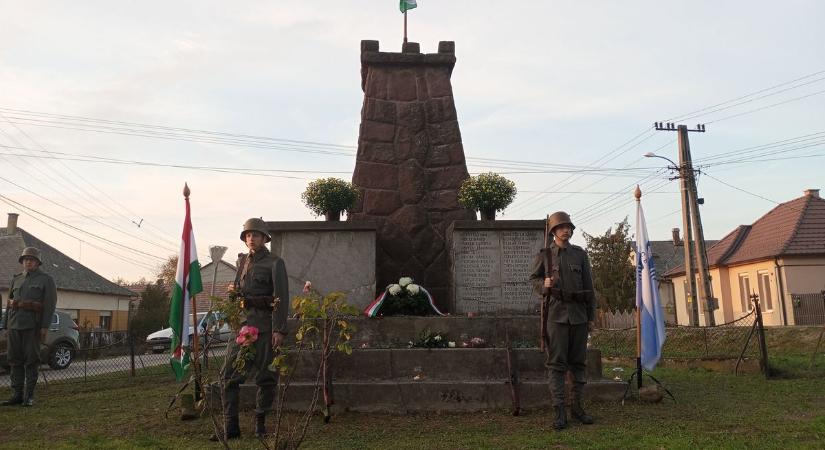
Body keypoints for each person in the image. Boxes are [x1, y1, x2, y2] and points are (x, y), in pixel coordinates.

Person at [211, 218, 289, 441]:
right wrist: (233, 295)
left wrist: (280, 330)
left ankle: (260, 425)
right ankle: (231, 427)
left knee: (266, 378)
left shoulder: (275, 262)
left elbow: (281, 297)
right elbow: (237, 293)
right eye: (247, 235)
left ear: (264, 238)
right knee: (229, 376)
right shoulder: (243, 262)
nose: (251, 238)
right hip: (244, 328)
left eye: (255, 235)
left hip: (266, 328)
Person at [530, 211, 596, 430]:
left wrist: (591, 317)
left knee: (578, 364)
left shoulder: (580, 255)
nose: (566, 230)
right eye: (561, 227)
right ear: (553, 232)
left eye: (568, 227)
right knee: (557, 366)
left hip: (578, 316)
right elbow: (533, 279)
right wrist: (544, 285)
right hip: (556, 316)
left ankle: (577, 408)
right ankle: (559, 412)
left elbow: (589, 288)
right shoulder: (545, 255)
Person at [1, 247, 57, 407]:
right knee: (14, 360)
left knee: (31, 361)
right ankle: (17, 395)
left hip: (33, 326)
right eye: (25, 259)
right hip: (14, 325)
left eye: (31, 259)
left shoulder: (46, 280)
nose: (28, 262)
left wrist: (44, 327)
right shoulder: (16, 279)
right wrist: (5, 325)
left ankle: (29, 396)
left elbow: (50, 305)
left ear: (37, 262)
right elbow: (10, 303)